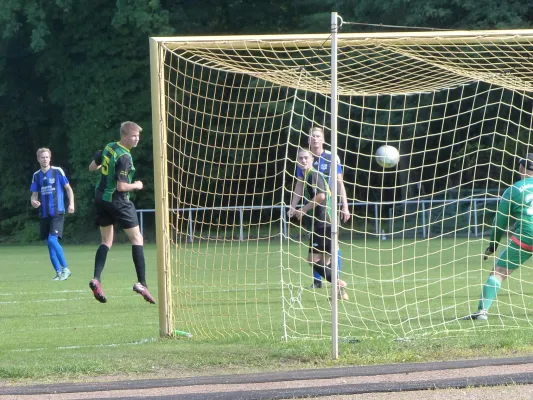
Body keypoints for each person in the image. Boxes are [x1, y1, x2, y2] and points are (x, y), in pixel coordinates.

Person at [88, 121, 155, 304]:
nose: (137, 139)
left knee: (106, 241)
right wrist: (137, 185)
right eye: (134, 136)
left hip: (101, 198)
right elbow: (121, 186)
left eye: (138, 136)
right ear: (124, 136)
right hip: (117, 201)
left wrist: (103, 166)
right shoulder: (125, 157)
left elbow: (92, 167)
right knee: (137, 239)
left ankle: (96, 279)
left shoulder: (109, 147)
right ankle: (142, 283)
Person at [463, 154, 533, 321]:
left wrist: (493, 245)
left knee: (498, 273)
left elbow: (498, 223)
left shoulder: (514, 190)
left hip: (526, 235)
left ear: (521, 168)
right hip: (526, 231)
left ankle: (482, 312)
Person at [289, 126, 350, 289]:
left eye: (317, 136)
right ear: (308, 140)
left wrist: (345, 206)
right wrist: (293, 207)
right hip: (313, 209)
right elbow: (299, 185)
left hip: (327, 209)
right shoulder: (305, 160)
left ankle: (336, 283)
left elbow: (339, 182)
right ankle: (321, 282)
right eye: (312, 136)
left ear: (323, 139)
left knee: (330, 249)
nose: (314, 138)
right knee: (320, 251)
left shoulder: (331, 157)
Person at [30, 148, 75, 281]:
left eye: (47, 157)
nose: (45, 159)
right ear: (38, 159)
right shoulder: (36, 175)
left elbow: (68, 189)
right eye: (42, 157)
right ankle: (59, 272)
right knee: (49, 244)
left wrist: (71, 204)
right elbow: (34, 195)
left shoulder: (57, 171)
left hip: (57, 212)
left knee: (52, 240)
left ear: (50, 158)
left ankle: (66, 269)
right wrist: (33, 202)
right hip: (44, 214)